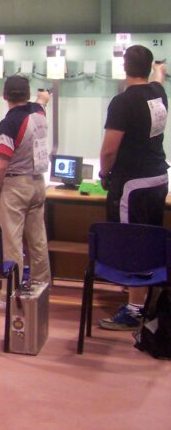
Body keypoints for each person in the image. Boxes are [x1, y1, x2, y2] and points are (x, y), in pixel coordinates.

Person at [97, 45, 168, 330]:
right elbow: (159, 79)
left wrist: (104, 173)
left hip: (133, 184)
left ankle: (135, 310)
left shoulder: (122, 102)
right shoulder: (158, 93)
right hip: (158, 178)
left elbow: (109, 150)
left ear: (124, 67)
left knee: (132, 243)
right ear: (149, 68)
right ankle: (148, 299)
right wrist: (160, 70)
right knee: (150, 240)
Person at [0, 76, 51, 312]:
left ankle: (9, 295)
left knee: (11, 243)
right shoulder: (38, 113)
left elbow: (2, 163)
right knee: (38, 242)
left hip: (16, 185)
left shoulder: (9, 123)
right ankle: (41, 289)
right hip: (38, 183)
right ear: (27, 95)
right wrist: (43, 96)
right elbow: (43, 100)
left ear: (5, 96)